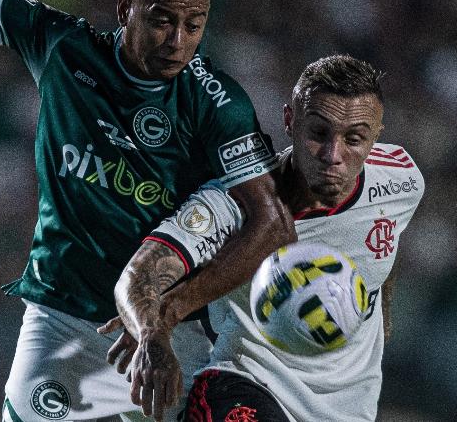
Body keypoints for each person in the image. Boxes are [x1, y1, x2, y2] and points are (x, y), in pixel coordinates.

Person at [0, 0, 296, 420]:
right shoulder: (64, 50)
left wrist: (167, 312)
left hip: (172, 327)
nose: (178, 41)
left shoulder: (217, 102)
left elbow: (271, 222)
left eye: (194, 24)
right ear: (126, 8)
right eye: (163, 19)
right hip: (64, 312)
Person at [103, 55, 424, 421]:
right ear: (290, 121)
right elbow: (139, 275)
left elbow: (386, 235)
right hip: (245, 386)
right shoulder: (235, 202)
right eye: (318, 133)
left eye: (354, 138)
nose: (334, 155)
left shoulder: (401, 179)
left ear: (376, 136)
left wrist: (381, 307)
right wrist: (151, 332)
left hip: (345, 409)